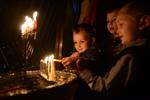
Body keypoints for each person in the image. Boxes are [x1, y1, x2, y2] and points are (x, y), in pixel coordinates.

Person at [76, 1, 150, 98]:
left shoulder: (131, 55)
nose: (117, 30)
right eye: (108, 22)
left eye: (121, 25)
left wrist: (82, 71)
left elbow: (106, 87)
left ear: (143, 22)